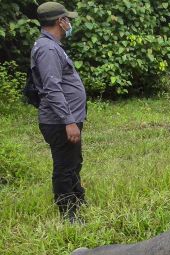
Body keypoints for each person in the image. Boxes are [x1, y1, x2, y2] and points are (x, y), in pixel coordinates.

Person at [31, 1, 86, 223]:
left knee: (74, 161)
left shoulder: (51, 46)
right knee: (64, 166)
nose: (69, 23)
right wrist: (69, 121)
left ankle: (77, 200)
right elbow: (52, 89)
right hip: (60, 121)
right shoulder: (47, 49)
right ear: (59, 21)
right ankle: (68, 215)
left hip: (66, 119)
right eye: (67, 19)